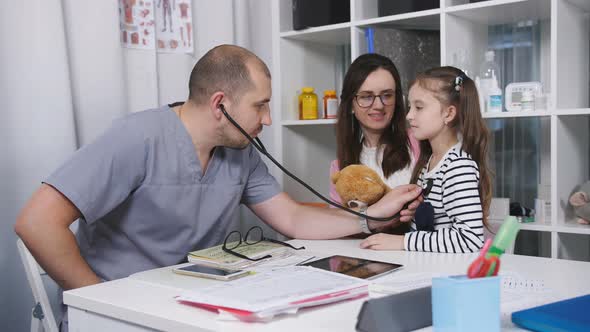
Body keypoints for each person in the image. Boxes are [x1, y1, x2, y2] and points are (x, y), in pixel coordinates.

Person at [14, 45, 422, 293]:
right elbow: (37, 222)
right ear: (220, 104)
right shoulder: (136, 138)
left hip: (191, 296)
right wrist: (95, 298)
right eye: (260, 105)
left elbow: (292, 218)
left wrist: (368, 218)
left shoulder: (239, 151)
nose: (266, 119)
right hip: (120, 306)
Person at [361, 66, 492, 253]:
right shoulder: (430, 161)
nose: (409, 115)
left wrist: (403, 242)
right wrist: (419, 215)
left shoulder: (459, 167)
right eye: (409, 107)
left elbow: (470, 239)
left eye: (419, 107)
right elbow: (439, 225)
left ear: (448, 113)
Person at [330, 53, 420, 206]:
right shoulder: (339, 167)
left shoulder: (418, 142)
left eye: (387, 95)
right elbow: (338, 222)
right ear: (351, 105)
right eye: (366, 97)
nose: (378, 105)